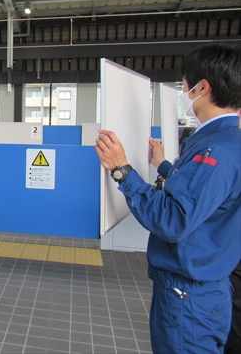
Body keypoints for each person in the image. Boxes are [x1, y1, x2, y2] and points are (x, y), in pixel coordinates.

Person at [95, 44, 240, 354]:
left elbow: (172, 219)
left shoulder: (216, 150)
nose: (183, 92)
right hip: (205, 289)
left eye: (185, 86)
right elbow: (206, 195)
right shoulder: (228, 142)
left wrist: (123, 170)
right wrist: (163, 164)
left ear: (204, 87)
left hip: (188, 298)